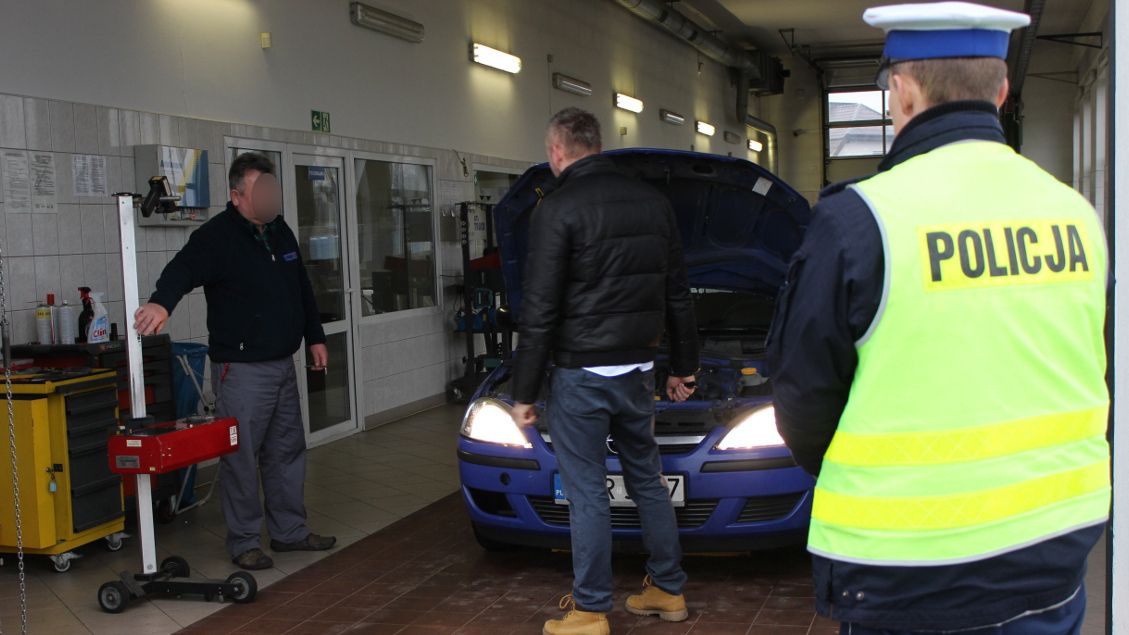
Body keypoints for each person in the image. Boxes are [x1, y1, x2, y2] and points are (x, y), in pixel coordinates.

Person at [767, 3, 1110, 634]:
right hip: (1054, 555)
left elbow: (802, 402)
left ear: (900, 90)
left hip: (910, 573)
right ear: (1001, 91)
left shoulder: (859, 221)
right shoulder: (1078, 215)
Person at [509, 107, 700, 635]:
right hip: (638, 371)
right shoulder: (654, 203)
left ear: (557, 151)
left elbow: (541, 307)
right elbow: (677, 293)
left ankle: (591, 609)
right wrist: (684, 366)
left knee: (587, 489)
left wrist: (523, 391)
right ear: (598, 144)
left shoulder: (559, 207)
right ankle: (667, 589)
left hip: (582, 375)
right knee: (647, 479)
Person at [134, 152, 336, 570]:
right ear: (238, 195)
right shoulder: (217, 237)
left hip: (283, 364)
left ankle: (289, 532)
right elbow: (182, 269)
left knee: (286, 451)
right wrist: (160, 303)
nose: (272, 196)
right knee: (241, 456)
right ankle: (244, 540)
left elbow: (301, 288)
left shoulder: (280, 232)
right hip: (241, 370)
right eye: (262, 188)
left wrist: (315, 337)